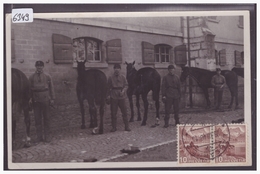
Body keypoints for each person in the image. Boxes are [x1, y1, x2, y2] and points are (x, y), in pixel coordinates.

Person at [29, 61, 55, 143]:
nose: (39, 68)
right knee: (37, 119)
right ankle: (39, 137)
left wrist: (52, 98)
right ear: (35, 67)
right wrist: (29, 99)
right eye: (37, 66)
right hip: (36, 100)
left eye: (41, 66)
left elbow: (51, 88)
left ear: (43, 67)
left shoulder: (47, 76)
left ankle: (47, 137)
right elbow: (29, 90)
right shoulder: (32, 77)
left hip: (45, 99)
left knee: (47, 119)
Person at [107, 63, 131, 132]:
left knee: (124, 112)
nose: (117, 70)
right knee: (113, 113)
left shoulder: (123, 77)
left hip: (122, 96)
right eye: (115, 68)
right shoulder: (110, 78)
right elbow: (108, 88)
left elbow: (126, 85)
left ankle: (127, 126)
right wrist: (108, 96)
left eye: (118, 69)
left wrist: (123, 91)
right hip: (113, 96)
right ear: (114, 69)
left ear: (120, 69)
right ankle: (114, 127)